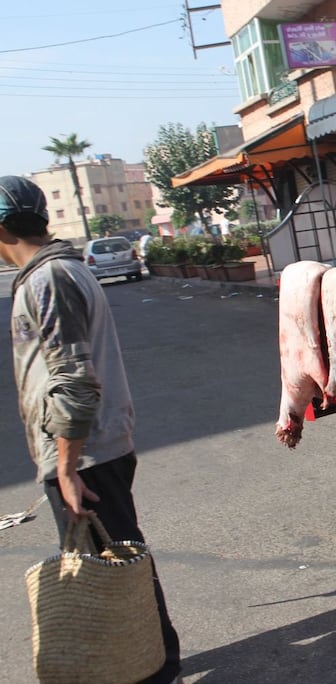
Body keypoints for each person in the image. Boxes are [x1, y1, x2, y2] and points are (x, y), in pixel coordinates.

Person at [0, 176, 182, 683]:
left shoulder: (50, 279)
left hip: (86, 454)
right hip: (89, 450)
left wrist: (65, 466)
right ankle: (154, 661)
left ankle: (149, 669)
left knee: (113, 566)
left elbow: (75, 379)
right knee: (119, 558)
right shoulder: (52, 273)